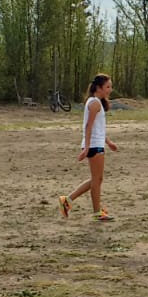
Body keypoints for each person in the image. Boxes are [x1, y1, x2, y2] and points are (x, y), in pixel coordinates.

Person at [59, 74, 120, 221]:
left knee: (96, 180)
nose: (110, 90)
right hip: (94, 146)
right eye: (107, 87)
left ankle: (67, 201)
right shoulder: (94, 103)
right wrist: (86, 148)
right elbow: (88, 127)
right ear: (98, 88)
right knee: (97, 180)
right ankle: (96, 212)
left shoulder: (96, 102)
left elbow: (97, 128)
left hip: (96, 144)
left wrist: (108, 141)